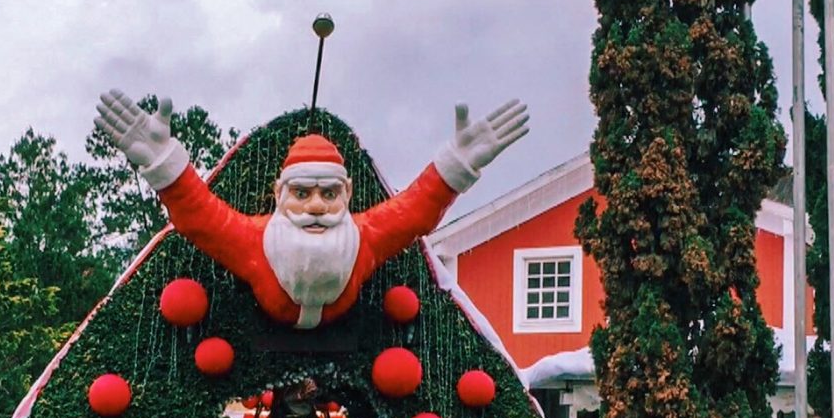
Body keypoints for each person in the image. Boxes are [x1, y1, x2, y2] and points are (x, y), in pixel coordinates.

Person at [95, 91, 527, 330]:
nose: (317, 205)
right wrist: (163, 163)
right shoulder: (256, 241)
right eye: (302, 194)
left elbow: (415, 212)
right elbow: (201, 217)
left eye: (328, 193)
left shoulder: (364, 236)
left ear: (349, 192)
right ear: (279, 193)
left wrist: (458, 162)